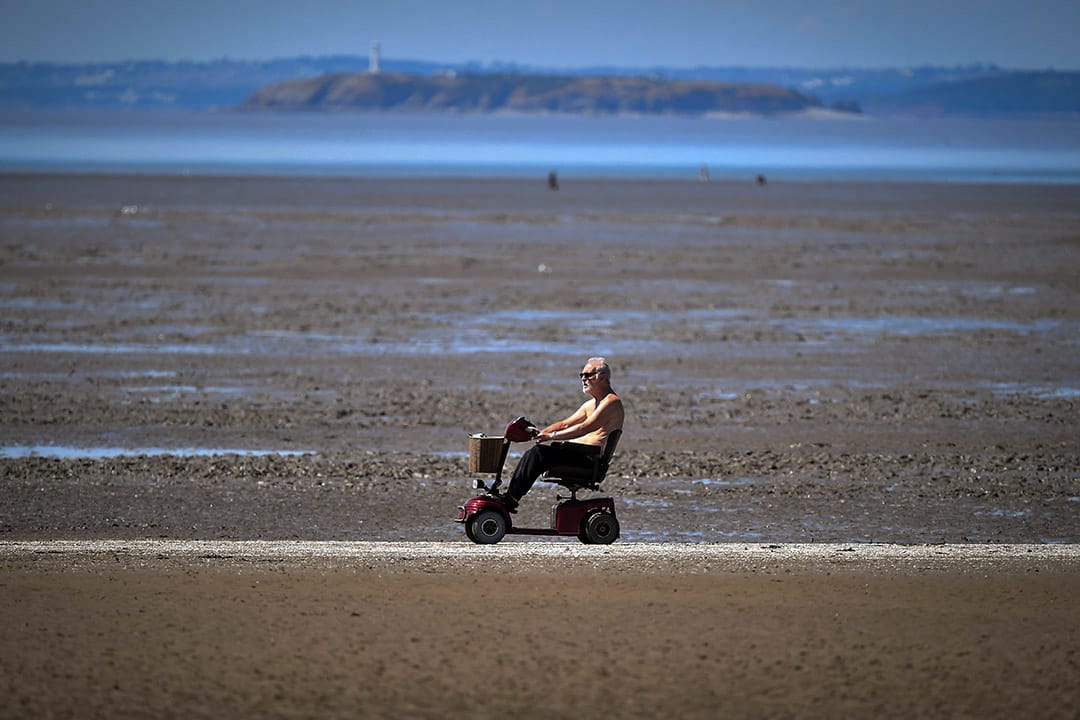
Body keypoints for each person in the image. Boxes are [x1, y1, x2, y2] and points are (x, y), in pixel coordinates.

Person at [497, 357, 624, 510]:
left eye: (587, 375)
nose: (583, 379)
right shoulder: (591, 404)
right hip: (578, 453)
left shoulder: (611, 402)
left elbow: (584, 428)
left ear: (602, 377)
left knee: (538, 454)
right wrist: (542, 433)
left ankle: (510, 500)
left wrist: (551, 437)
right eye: (581, 375)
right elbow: (565, 424)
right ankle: (509, 496)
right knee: (533, 453)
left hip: (590, 459)